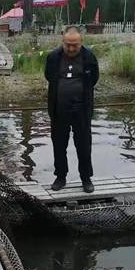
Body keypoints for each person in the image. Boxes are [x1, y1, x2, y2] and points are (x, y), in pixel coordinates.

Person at [45, 26, 99, 193]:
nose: (70, 48)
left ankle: (86, 178)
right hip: (59, 110)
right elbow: (49, 76)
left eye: (74, 45)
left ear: (81, 42)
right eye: (67, 44)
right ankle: (60, 177)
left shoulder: (89, 57)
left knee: (84, 146)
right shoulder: (53, 57)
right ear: (62, 41)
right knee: (59, 145)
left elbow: (94, 79)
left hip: (81, 110)